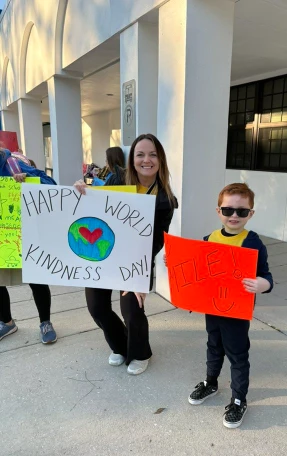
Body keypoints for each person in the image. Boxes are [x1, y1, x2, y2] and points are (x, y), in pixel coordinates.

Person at [165, 183, 273, 428]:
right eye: (228, 210)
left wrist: (261, 284)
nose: (234, 215)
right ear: (218, 211)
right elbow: (196, 270)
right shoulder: (209, 239)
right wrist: (173, 259)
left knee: (237, 354)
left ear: (251, 214)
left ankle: (238, 399)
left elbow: (268, 277)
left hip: (237, 311)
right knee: (213, 345)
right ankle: (210, 383)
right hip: (212, 308)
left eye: (242, 211)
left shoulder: (254, 243)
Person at [74, 134, 177, 375]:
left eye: (152, 154)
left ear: (160, 159)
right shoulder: (117, 178)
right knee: (96, 308)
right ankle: (120, 345)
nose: (146, 160)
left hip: (136, 259)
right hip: (103, 253)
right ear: (132, 159)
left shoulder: (165, 199)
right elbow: (94, 201)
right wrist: (81, 189)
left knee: (132, 308)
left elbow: (157, 240)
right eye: (140, 154)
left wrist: (139, 277)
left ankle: (141, 352)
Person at [0, 148, 57, 344]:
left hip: (23, 233)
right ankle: (7, 322)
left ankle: (45, 322)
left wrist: (29, 179)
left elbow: (51, 184)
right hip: (2, 235)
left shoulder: (12, 163)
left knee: (36, 278)